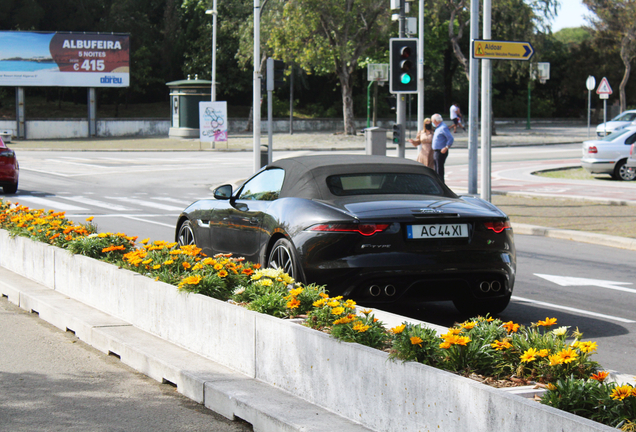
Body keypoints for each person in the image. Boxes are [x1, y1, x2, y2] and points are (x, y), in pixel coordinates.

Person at [431, 113, 454, 182]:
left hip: (440, 151)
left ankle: (440, 184)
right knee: (437, 168)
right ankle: (438, 183)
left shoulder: (443, 127)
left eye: (432, 121)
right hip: (436, 150)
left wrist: (446, 147)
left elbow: (450, 138)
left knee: (439, 169)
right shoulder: (438, 128)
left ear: (435, 121)